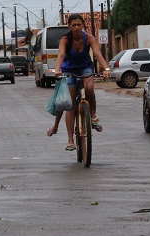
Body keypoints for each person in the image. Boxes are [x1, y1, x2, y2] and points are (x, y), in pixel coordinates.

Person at [46, 13, 111, 151]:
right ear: (69, 26)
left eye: (79, 25)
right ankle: (70, 141)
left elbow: (98, 54)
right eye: (73, 25)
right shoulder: (65, 39)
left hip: (85, 68)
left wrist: (106, 68)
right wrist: (57, 70)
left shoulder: (89, 38)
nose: (76, 27)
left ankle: (92, 115)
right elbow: (61, 54)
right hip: (69, 70)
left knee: (89, 88)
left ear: (83, 25)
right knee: (70, 105)